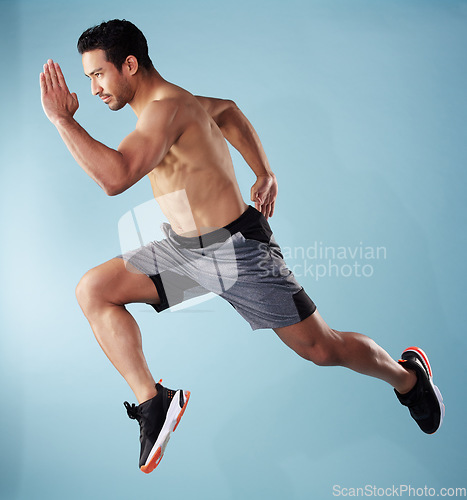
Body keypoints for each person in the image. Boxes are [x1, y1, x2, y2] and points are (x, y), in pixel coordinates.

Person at [39, 19, 444, 474]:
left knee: (322, 348)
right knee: (93, 290)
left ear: (128, 65)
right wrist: (263, 171)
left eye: (97, 74)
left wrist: (61, 120)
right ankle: (155, 404)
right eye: (87, 77)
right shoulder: (172, 105)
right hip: (186, 253)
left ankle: (408, 378)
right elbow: (228, 110)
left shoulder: (166, 109)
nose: (92, 88)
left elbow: (115, 177)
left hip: (237, 254)